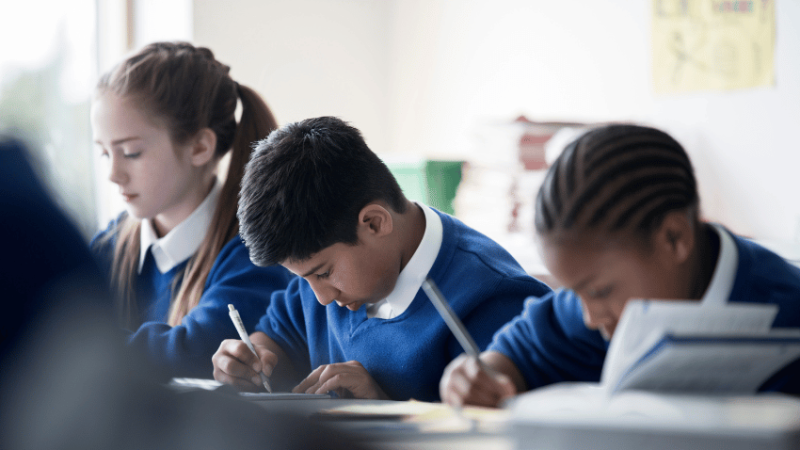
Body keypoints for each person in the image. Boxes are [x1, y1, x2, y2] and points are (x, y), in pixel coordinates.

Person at [439, 124, 800, 407]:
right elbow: (511, 357)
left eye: (598, 291)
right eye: (574, 293)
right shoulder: (591, 310)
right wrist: (475, 377)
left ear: (674, 239)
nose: (590, 317)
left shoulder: (788, 306)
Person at [211, 116, 551, 401]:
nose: (321, 297)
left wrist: (385, 407)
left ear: (375, 222)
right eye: (304, 279)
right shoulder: (323, 267)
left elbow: (500, 433)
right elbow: (278, 335)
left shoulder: (495, 302)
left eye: (324, 273)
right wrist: (250, 360)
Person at [90, 42, 293, 378]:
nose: (113, 173)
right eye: (104, 154)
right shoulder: (110, 244)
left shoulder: (251, 256)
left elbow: (195, 351)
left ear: (200, 147)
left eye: (131, 152)